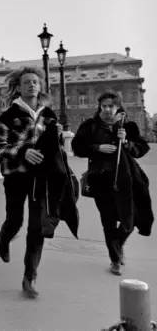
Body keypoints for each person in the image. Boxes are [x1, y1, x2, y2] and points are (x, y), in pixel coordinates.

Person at [0, 66, 78, 299]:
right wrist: (23, 151)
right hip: (16, 176)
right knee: (15, 220)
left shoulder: (48, 114)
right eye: (26, 82)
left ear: (40, 87)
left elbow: (56, 147)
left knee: (37, 227)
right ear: (18, 87)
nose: (31, 85)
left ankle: (30, 277)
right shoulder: (8, 115)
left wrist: (57, 140)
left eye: (35, 82)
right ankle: (4, 238)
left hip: (41, 178)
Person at [71, 91, 152, 276]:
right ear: (100, 106)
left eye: (111, 106)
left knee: (130, 220)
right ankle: (115, 259)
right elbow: (77, 147)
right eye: (104, 106)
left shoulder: (127, 126)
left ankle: (118, 244)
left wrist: (126, 142)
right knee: (108, 222)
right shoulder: (90, 126)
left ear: (118, 107)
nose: (107, 109)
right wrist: (97, 148)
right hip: (101, 180)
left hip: (127, 180)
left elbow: (141, 149)